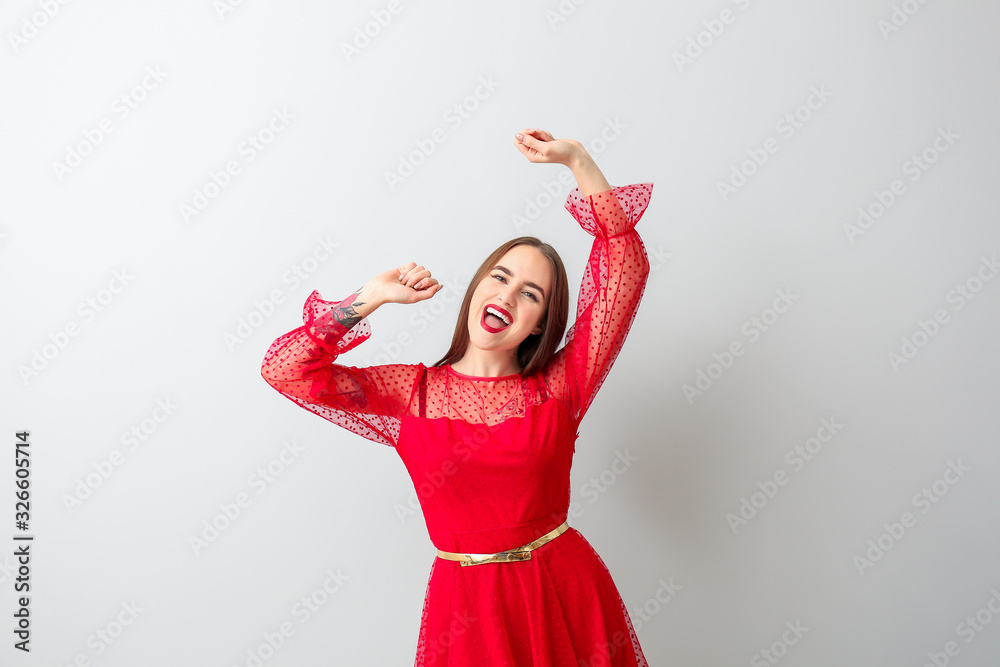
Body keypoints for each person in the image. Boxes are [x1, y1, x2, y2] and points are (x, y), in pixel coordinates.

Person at [260, 128, 653, 666]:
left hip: (561, 590)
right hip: (464, 612)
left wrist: (578, 161)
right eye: (501, 277)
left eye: (531, 294)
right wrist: (368, 298)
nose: (507, 296)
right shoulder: (410, 392)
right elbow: (286, 371)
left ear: (540, 324)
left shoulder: (561, 387)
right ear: (477, 288)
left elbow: (624, 265)